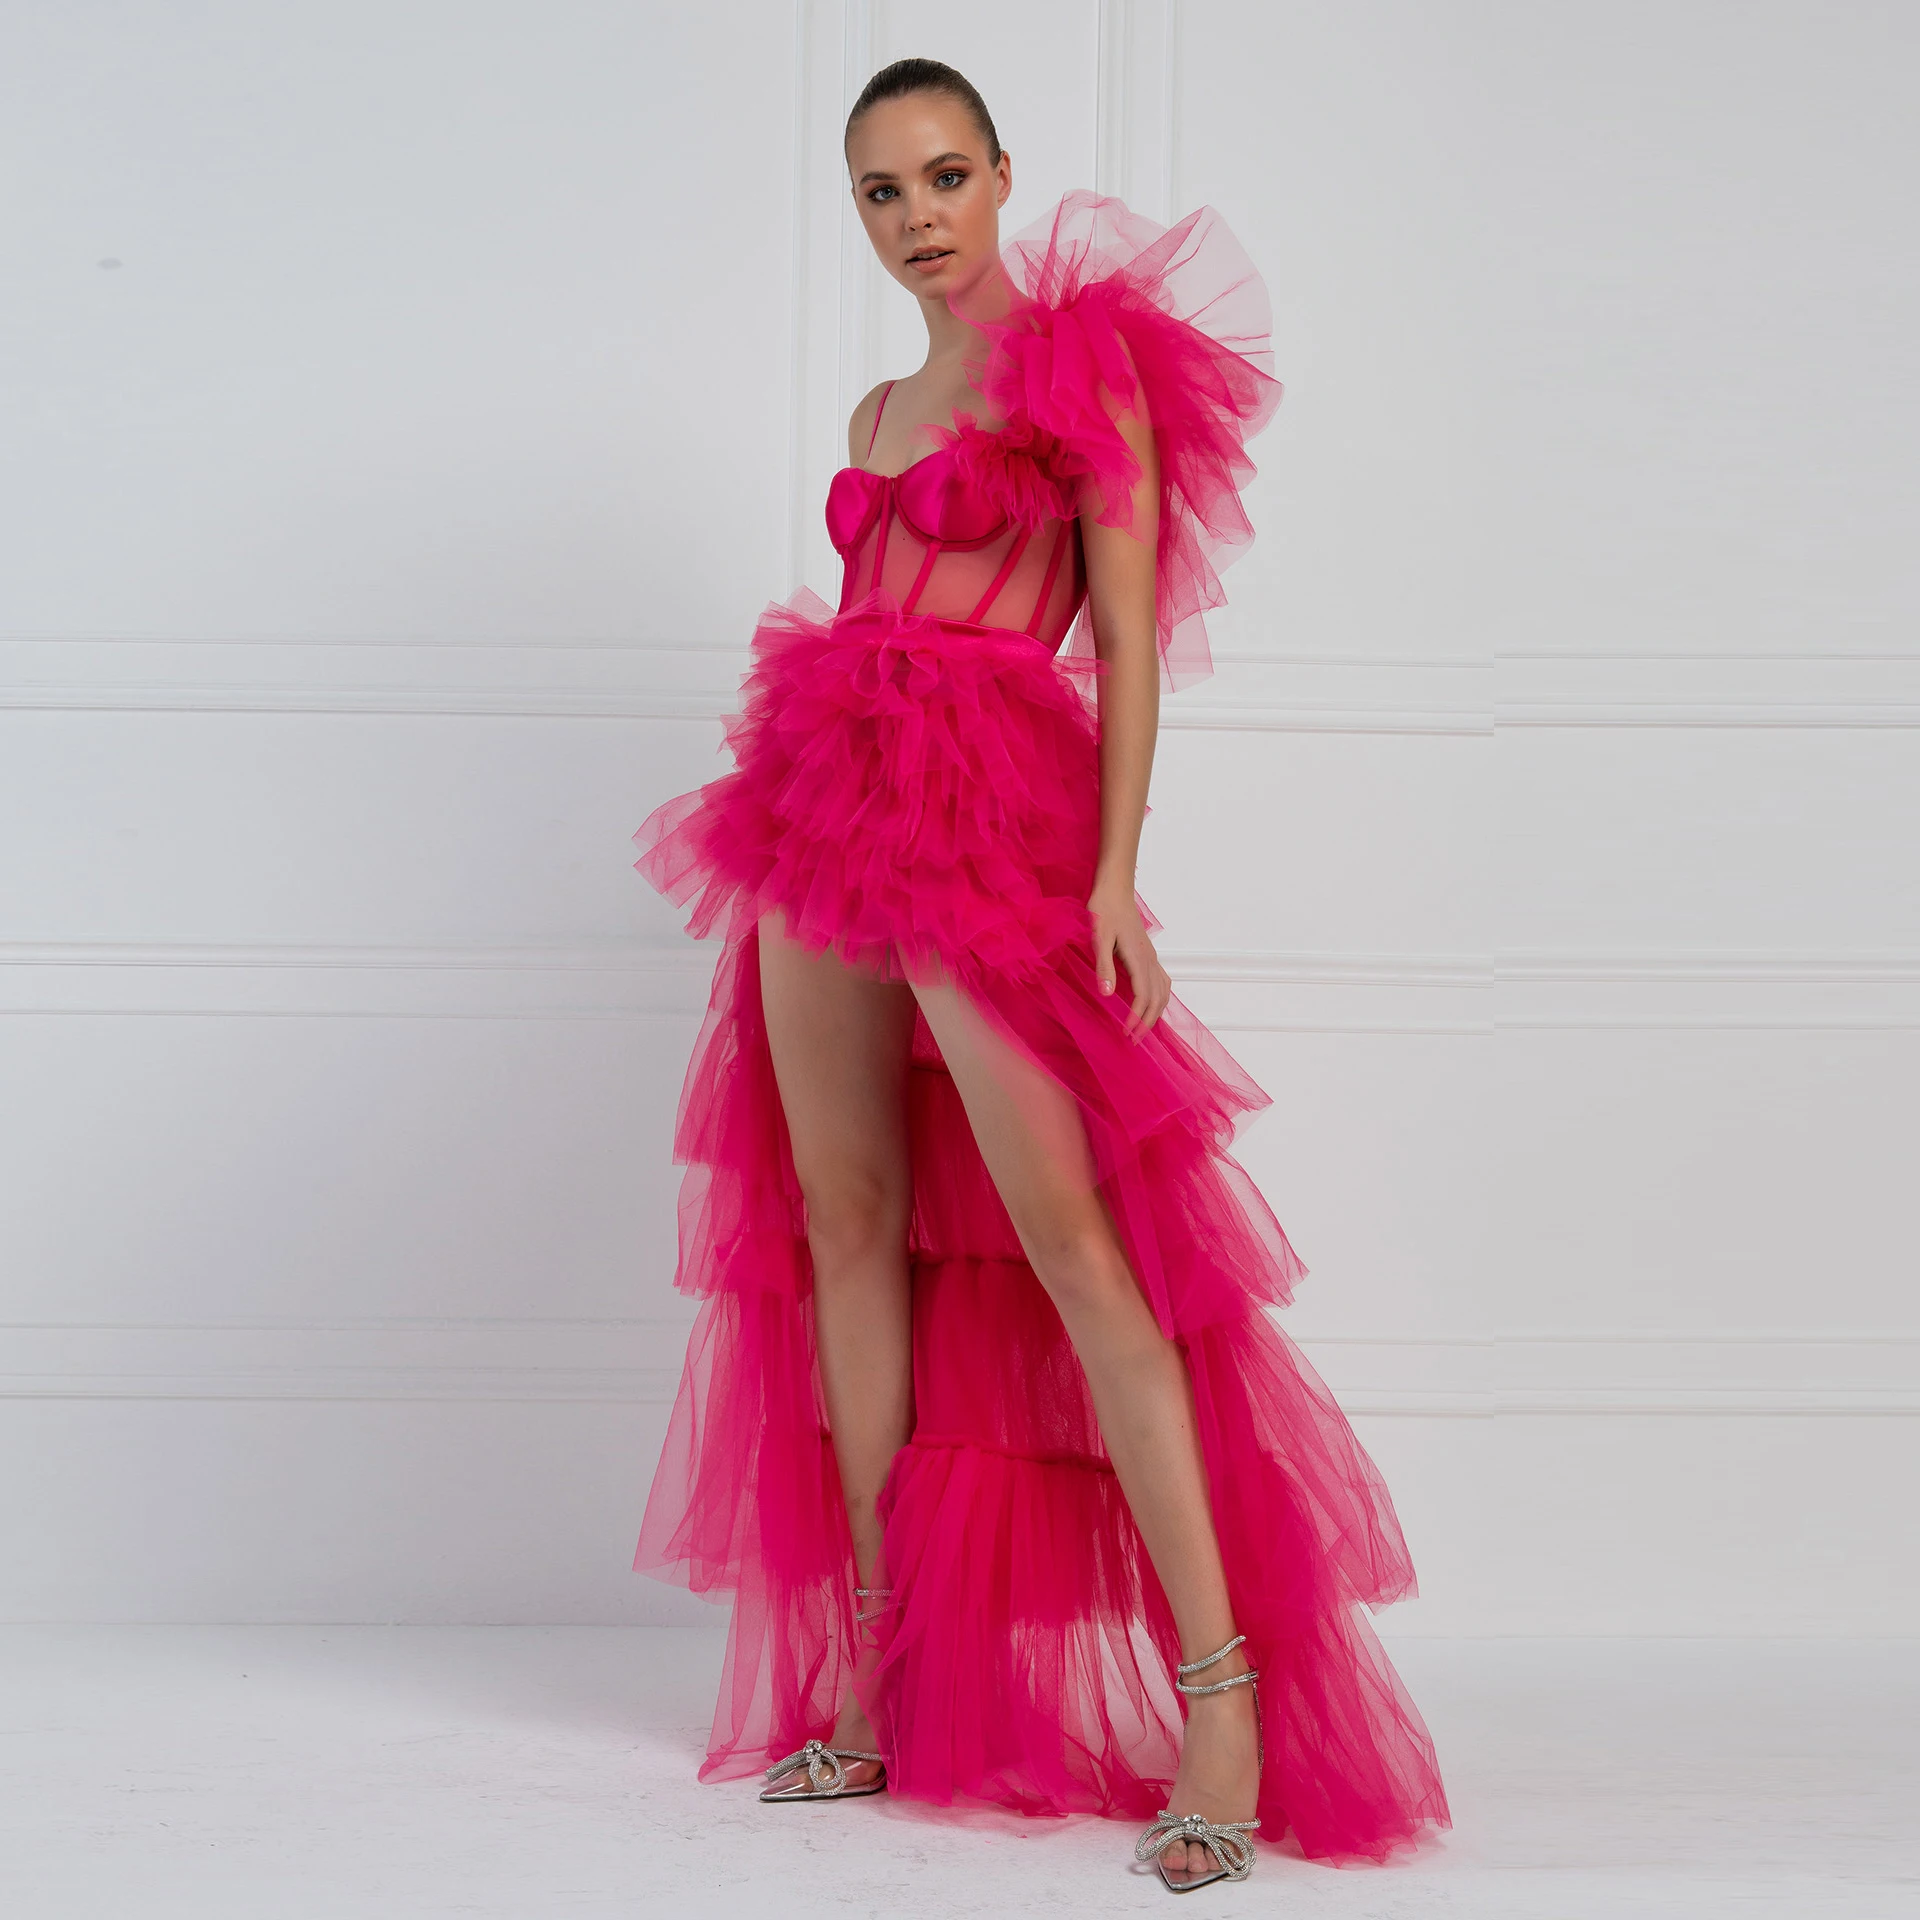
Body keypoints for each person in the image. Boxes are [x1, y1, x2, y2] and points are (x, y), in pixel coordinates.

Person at [631, 56, 1451, 1893]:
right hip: (818, 803)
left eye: (942, 176)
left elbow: (1130, 634)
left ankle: (1220, 1700)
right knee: (846, 1221)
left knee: (1080, 1244)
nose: (916, 217)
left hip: (987, 815)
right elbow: (872, 620)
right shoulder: (878, 405)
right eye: (880, 191)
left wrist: (1114, 876)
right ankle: (877, 1669)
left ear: (1001, 176)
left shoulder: (1085, 368)